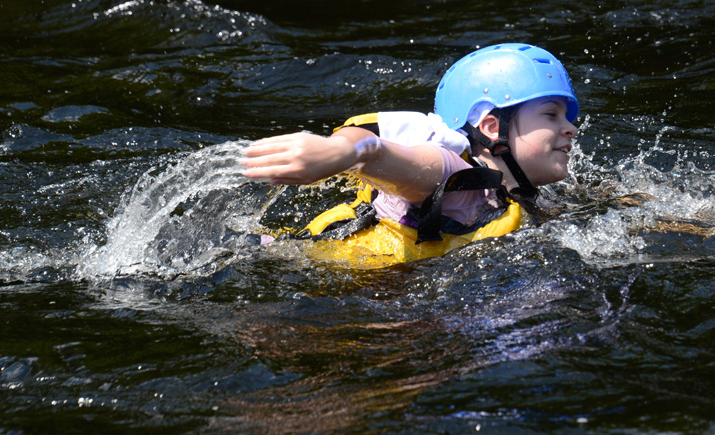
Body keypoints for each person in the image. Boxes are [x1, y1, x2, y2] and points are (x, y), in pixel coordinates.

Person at [241, 43, 580, 268]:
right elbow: (376, 152)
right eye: (552, 115)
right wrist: (338, 152)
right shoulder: (457, 178)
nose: (571, 129)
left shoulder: (519, 196)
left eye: (567, 117)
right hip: (309, 279)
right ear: (492, 127)